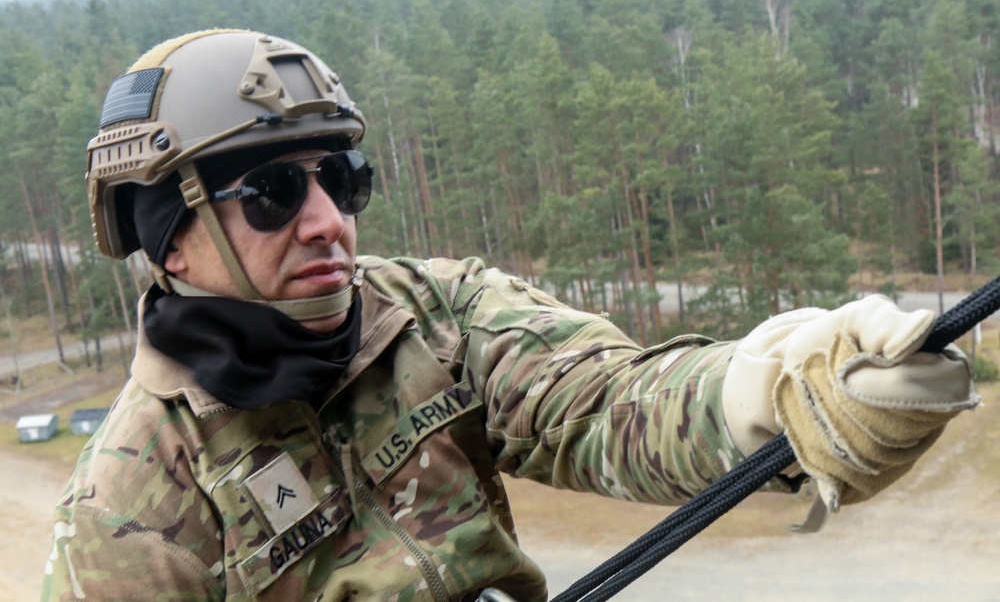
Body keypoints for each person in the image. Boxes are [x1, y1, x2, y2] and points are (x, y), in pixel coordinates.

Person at [42, 29, 978, 602]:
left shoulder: (433, 313)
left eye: (342, 176)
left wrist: (763, 392)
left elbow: (604, 401)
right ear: (170, 239)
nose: (330, 220)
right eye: (277, 190)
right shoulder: (129, 504)